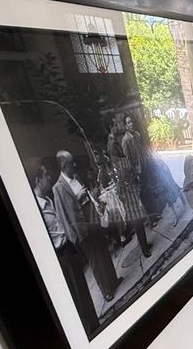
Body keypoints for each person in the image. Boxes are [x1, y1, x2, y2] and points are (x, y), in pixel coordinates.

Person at [33, 160, 99, 332]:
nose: (50, 177)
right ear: (38, 180)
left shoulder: (48, 199)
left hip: (69, 249)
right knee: (77, 298)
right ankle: (90, 330)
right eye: (46, 175)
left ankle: (95, 326)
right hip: (60, 256)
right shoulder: (36, 209)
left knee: (83, 292)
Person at [51, 150, 120, 306]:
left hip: (92, 220)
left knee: (103, 251)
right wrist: (73, 237)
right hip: (80, 229)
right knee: (94, 260)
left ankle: (114, 281)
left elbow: (87, 197)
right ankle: (106, 291)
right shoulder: (58, 188)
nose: (74, 165)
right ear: (63, 165)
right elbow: (61, 214)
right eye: (71, 163)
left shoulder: (76, 177)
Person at [125, 113, 185, 227]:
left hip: (148, 165)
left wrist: (151, 158)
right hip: (140, 171)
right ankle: (152, 218)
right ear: (125, 126)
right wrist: (135, 172)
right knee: (149, 194)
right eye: (128, 123)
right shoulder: (126, 140)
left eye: (131, 121)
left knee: (163, 184)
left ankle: (175, 205)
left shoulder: (137, 134)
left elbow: (144, 149)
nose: (131, 124)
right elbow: (128, 160)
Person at [106, 113, 152, 257]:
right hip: (125, 182)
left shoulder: (114, 141)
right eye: (115, 124)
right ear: (111, 127)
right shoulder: (112, 144)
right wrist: (130, 175)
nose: (117, 126)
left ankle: (143, 243)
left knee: (136, 215)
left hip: (127, 179)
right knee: (136, 217)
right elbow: (119, 165)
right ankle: (143, 248)